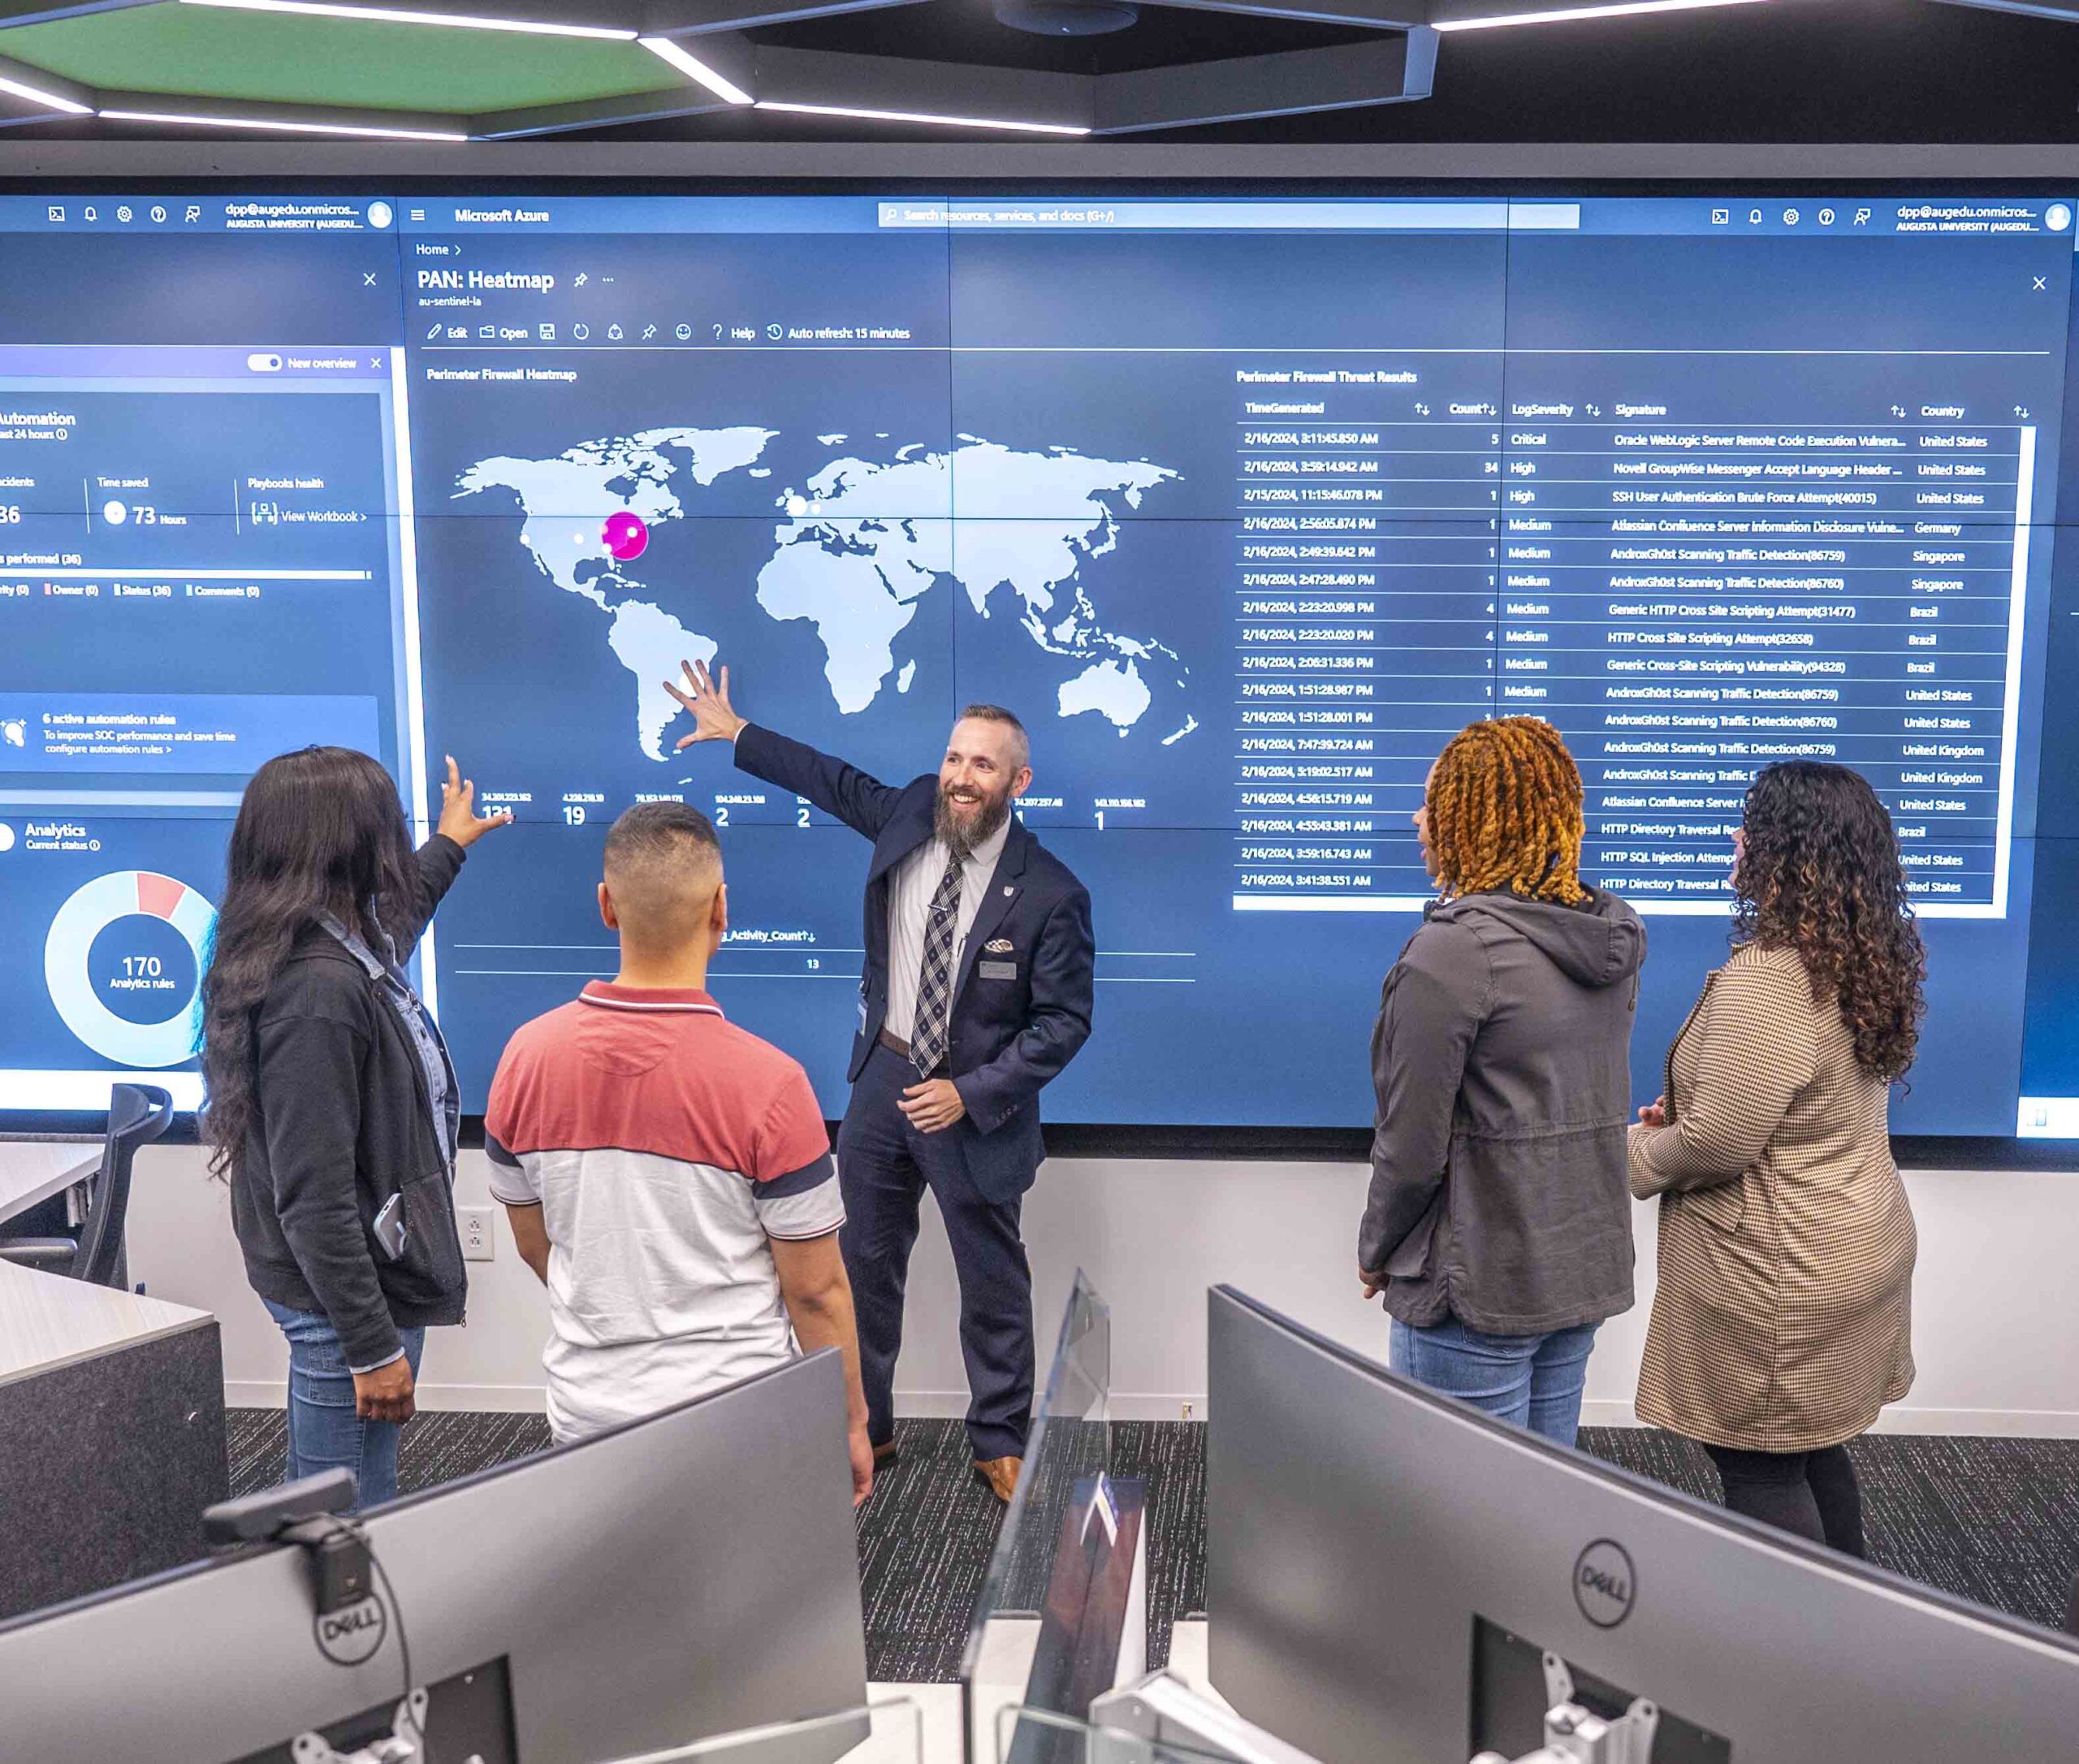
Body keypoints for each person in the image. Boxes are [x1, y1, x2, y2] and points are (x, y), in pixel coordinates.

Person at [668, 660, 1095, 1504]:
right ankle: (870, 1427)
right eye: (953, 758)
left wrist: (970, 1093)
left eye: (981, 765)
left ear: (1018, 780)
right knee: (861, 1264)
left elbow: (1063, 1025)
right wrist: (736, 732)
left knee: (992, 1279)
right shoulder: (907, 810)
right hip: (881, 1082)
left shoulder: (1051, 893)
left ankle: (1001, 1440)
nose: (960, 778)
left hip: (971, 1104)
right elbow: (828, 779)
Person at [482, 801, 875, 1505]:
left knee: (615, 1609)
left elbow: (537, 1246)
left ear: (606, 906)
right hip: (738, 1420)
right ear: (722, 909)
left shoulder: (522, 1060)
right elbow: (815, 1292)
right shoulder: (774, 1083)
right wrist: (850, 1423)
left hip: (587, 1415)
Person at [1630, 761, 1923, 1556]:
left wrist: (1632, 1153)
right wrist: (1698, 1106)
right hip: (1850, 1243)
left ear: (1785, 853)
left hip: (1779, 1274)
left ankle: (1801, 1654)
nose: (1736, 839)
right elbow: (1795, 1100)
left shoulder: (1768, 978)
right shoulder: (1861, 957)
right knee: (1805, 1448)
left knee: (1758, 1465)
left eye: (1750, 826)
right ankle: (1848, 1627)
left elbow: (1716, 1145)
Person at [205, 747, 510, 1511]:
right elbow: (315, 1199)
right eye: (389, 827)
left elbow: (396, 925)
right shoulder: (318, 994)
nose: (396, 842)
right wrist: (371, 1347)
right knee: (338, 1512)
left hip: (342, 1286)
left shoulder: (327, 942)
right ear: (353, 847)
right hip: (342, 1298)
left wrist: (447, 846)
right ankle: (318, 1631)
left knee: (346, 1489)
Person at [1359, 716, 1645, 1448]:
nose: (1418, 820)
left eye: (1434, 803)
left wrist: (1378, 1249)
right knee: (1538, 1516)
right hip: (1573, 1271)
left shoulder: (1453, 953)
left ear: (1474, 819)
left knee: (1456, 1525)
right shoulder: (1609, 937)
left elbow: (1411, 1144)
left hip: (1476, 1281)